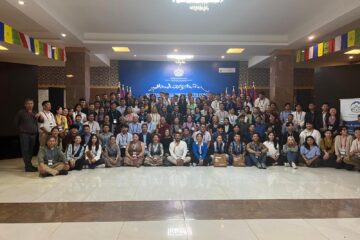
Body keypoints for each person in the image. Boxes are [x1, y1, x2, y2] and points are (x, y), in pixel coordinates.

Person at [14, 98, 42, 172]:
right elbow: (16, 122)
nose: (30, 105)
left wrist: (40, 115)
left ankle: (29, 165)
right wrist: (21, 130)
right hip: (24, 135)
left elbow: (42, 120)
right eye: (28, 103)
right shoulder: (21, 112)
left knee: (31, 150)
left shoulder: (35, 112)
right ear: (25, 104)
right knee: (25, 150)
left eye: (31, 103)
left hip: (33, 134)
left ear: (33, 104)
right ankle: (28, 166)